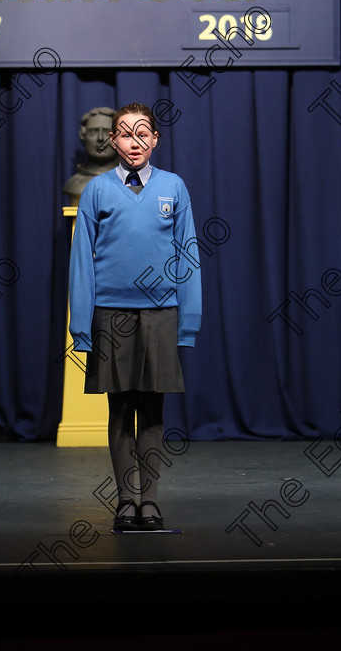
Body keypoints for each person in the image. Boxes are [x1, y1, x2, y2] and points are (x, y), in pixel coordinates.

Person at [68, 102, 202, 531]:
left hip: (160, 314)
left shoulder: (174, 187)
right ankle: (126, 501)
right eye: (126, 133)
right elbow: (82, 263)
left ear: (156, 139)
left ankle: (151, 502)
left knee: (153, 409)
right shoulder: (97, 191)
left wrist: (189, 320)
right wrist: (81, 326)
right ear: (114, 140)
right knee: (121, 409)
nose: (135, 140)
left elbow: (188, 255)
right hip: (110, 315)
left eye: (143, 132)